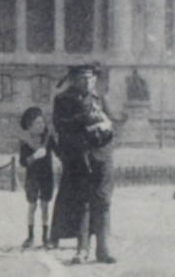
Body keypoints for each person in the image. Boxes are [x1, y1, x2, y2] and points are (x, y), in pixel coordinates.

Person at [50, 62, 117, 264]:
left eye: (91, 78)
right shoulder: (63, 100)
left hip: (102, 156)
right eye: (83, 79)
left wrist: (105, 127)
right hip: (77, 157)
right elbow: (60, 126)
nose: (88, 82)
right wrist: (83, 118)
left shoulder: (101, 99)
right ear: (74, 80)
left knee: (103, 201)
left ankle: (103, 249)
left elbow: (113, 125)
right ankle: (82, 249)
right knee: (81, 202)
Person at [18, 106, 55, 249]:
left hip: (47, 176)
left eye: (43, 123)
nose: (42, 126)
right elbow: (22, 162)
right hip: (32, 177)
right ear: (30, 126)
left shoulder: (48, 139)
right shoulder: (26, 142)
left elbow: (59, 152)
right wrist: (34, 157)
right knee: (32, 206)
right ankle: (30, 236)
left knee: (45, 206)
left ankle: (45, 237)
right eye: (38, 123)